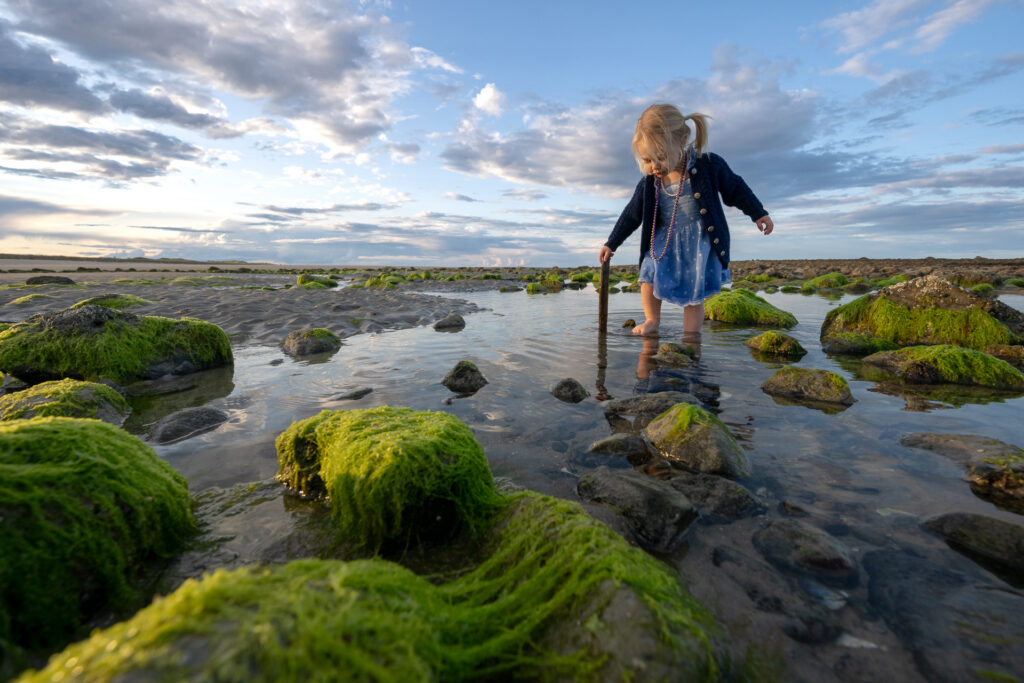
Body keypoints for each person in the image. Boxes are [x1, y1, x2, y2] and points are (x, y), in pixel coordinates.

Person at [599, 104, 773, 336]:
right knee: (648, 275)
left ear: (682, 139)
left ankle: (692, 337)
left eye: (660, 157)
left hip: (698, 242)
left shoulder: (708, 165)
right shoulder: (650, 182)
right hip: (662, 241)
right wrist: (612, 243)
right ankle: (652, 320)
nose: (653, 166)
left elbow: (735, 188)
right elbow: (632, 213)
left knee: (694, 294)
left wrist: (758, 212)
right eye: (647, 160)